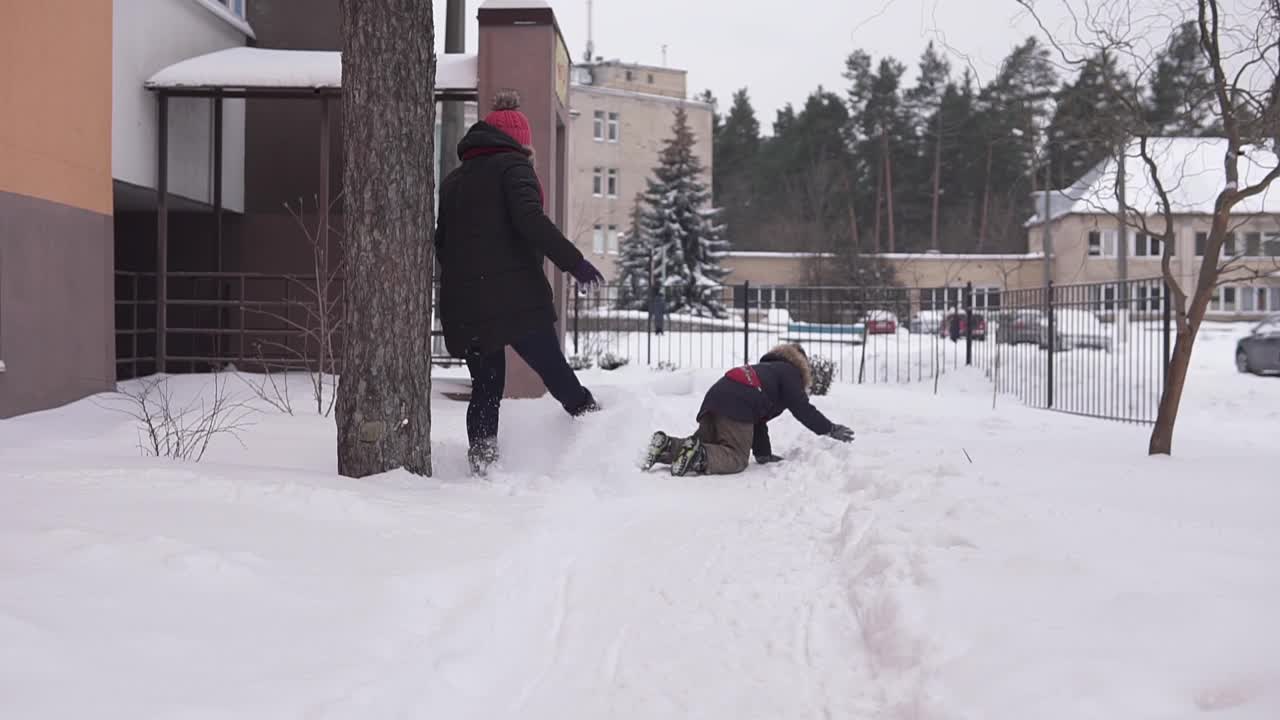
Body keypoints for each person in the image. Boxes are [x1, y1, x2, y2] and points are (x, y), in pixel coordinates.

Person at [435, 90, 606, 475]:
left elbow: (441, 243)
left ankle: (482, 461)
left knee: (486, 385)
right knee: (552, 367)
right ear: (519, 142)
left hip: (467, 304)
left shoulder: (454, 181)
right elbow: (532, 222)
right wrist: (574, 263)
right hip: (516, 299)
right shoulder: (516, 169)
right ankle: (597, 429)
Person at [641, 343, 855, 476]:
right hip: (738, 402)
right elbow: (802, 409)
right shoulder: (790, 373)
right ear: (801, 364)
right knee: (735, 458)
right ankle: (700, 456)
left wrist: (763, 454)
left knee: (701, 443)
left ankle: (667, 445)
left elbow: (757, 421)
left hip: (717, 395)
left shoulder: (767, 370)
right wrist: (830, 428)